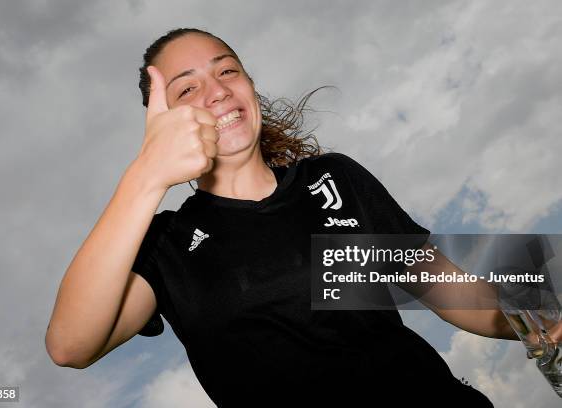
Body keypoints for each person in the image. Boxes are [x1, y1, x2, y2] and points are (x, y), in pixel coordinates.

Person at [45, 27, 553, 407]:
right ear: (161, 122)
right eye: (186, 88)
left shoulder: (331, 180)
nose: (217, 91)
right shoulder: (169, 246)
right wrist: (145, 177)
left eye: (227, 70)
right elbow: (70, 345)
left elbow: (449, 293)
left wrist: (538, 318)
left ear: (249, 86)